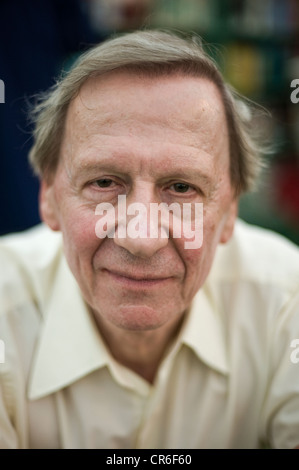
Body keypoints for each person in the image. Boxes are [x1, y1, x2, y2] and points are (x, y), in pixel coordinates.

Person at [0, 30, 298, 450]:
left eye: (181, 188)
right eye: (104, 182)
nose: (141, 237)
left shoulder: (287, 301)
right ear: (48, 197)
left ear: (230, 211)